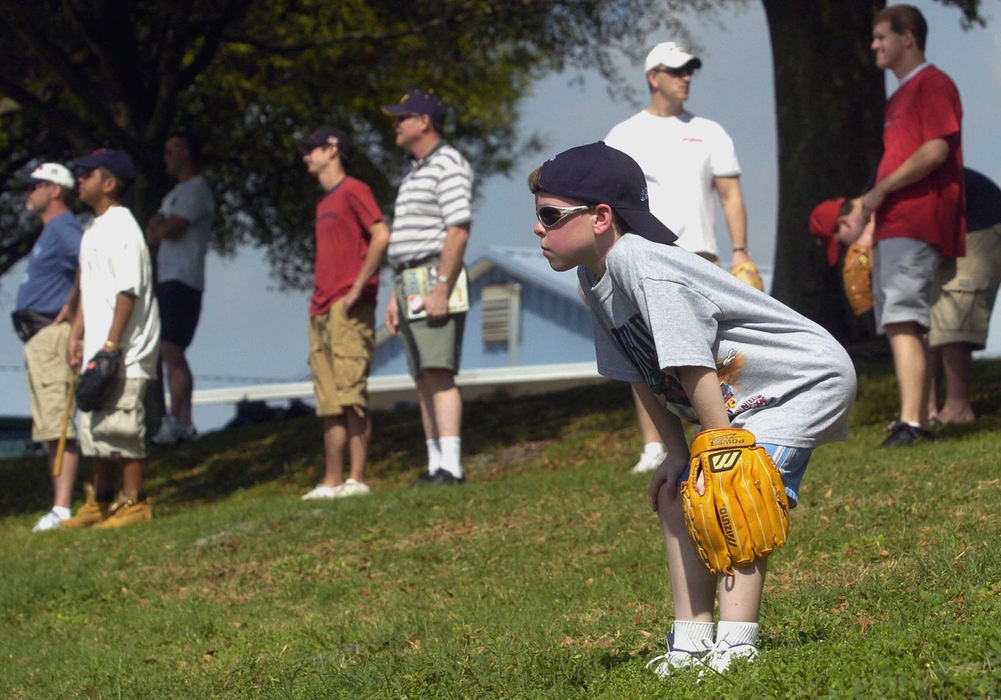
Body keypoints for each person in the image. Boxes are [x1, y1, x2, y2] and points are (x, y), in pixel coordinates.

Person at [528, 142, 855, 675]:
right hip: (740, 394)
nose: (538, 229)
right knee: (680, 499)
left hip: (799, 380)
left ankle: (738, 643)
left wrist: (719, 446)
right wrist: (676, 451)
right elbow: (637, 372)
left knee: (735, 495)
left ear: (601, 218)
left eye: (549, 215)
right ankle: (692, 640)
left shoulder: (642, 262)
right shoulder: (594, 278)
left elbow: (690, 363)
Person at [605, 41, 762, 474]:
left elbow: (729, 194)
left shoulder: (710, 130)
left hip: (703, 257)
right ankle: (655, 444)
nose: (685, 77)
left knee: (711, 353)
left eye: (689, 70)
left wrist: (741, 252)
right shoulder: (624, 135)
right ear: (653, 76)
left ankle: (716, 432)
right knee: (649, 354)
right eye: (675, 71)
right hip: (647, 257)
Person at [811, 168, 1001, 424]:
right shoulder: (875, 194)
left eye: (842, 243)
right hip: (942, 235)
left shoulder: (877, 192)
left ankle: (958, 408)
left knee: (956, 308)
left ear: (844, 223)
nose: (849, 249)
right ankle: (928, 407)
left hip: (978, 223)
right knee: (930, 320)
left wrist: (868, 243)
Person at [861, 4, 964, 447]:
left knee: (903, 320)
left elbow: (936, 149)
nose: (875, 45)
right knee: (903, 323)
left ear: (909, 38)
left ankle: (912, 424)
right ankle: (916, 417)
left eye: (882, 36)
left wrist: (882, 190)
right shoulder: (898, 96)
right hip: (894, 226)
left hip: (917, 219)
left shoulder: (933, 84)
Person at [61, 149, 161, 529]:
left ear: (110, 183)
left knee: (122, 424)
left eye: (87, 173)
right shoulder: (93, 230)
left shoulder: (123, 227)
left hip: (126, 346)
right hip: (99, 343)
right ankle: (101, 500)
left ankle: (134, 501)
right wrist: (77, 334)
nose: (79, 179)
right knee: (96, 425)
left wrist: (113, 343)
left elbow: (128, 289)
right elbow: (90, 288)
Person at [381, 89, 474, 486]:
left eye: (402, 117)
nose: (395, 125)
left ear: (424, 122)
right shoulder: (414, 170)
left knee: (439, 370)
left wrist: (441, 287)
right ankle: (435, 461)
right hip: (408, 278)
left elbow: (457, 228)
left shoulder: (448, 163)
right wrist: (393, 296)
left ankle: (451, 466)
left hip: (434, 274)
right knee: (422, 376)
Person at [296, 125, 389, 499]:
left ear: (332, 149)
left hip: (347, 308)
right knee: (328, 400)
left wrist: (356, 289)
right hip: (320, 309)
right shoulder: (322, 203)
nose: (307, 156)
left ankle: (357, 478)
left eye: (312, 148)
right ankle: (331, 481)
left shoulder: (355, 190)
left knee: (351, 394)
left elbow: (381, 234)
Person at [13, 163, 83, 532]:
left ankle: (62, 507)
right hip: (37, 337)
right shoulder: (50, 231)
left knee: (58, 423)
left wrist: (72, 307)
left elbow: (88, 262)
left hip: (53, 335)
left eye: (36, 186)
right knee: (47, 426)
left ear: (55, 190)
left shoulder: (64, 226)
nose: (29, 193)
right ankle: (58, 505)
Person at [146, 133, 215, 444]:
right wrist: (157, 228)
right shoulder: (173, 194)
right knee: (167, 349)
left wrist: (160, 228)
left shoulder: (196, 190)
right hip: (167, 279)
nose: (167, 157)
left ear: (187, 152)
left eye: (172, 150)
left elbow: (169, 229)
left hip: (183, 279)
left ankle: (180, 419)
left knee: (171, 348)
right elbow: (153, 229)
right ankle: (179, 419)